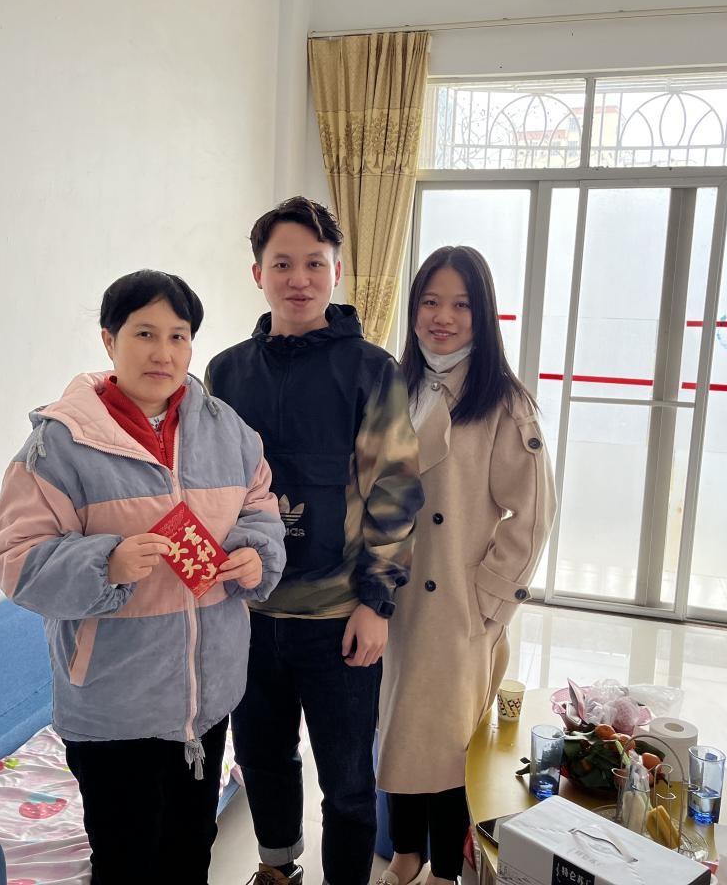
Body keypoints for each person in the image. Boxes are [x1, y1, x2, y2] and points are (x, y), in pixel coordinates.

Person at [0, 270, 286, 885]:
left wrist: (258, 554)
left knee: (190, 851)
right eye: (144, 333)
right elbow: (15, 558)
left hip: (206, 702)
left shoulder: (228, 431)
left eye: (179, 336)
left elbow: (262, 509)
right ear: (109, 340)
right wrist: (107, 563)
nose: (163, 352)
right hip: (113, 707)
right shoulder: (59, 445)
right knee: (125, 860)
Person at [206, 196, 425, 885]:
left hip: (338, 616)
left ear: (336, 271)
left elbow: (395, 491)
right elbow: (208, 488)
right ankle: (277, 868)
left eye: (313, 264)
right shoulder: (225, 373)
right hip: (247, 613)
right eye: (281, 264)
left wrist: (375, 604)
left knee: (348, 778)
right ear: (257, 274)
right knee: (261, 758)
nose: (297, 279)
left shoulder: (371, 370)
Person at [374, 247, 557, 885]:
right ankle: (405, 856)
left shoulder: (502, 400)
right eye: (430, 301)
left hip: (454, 601)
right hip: (391, 595)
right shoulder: (399, 385)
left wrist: (487, 601)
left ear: (483, 315)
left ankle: (445, 870)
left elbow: (532, 515)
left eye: (460, 304)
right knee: (400, 732)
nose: (443, 317)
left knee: (448, 745)